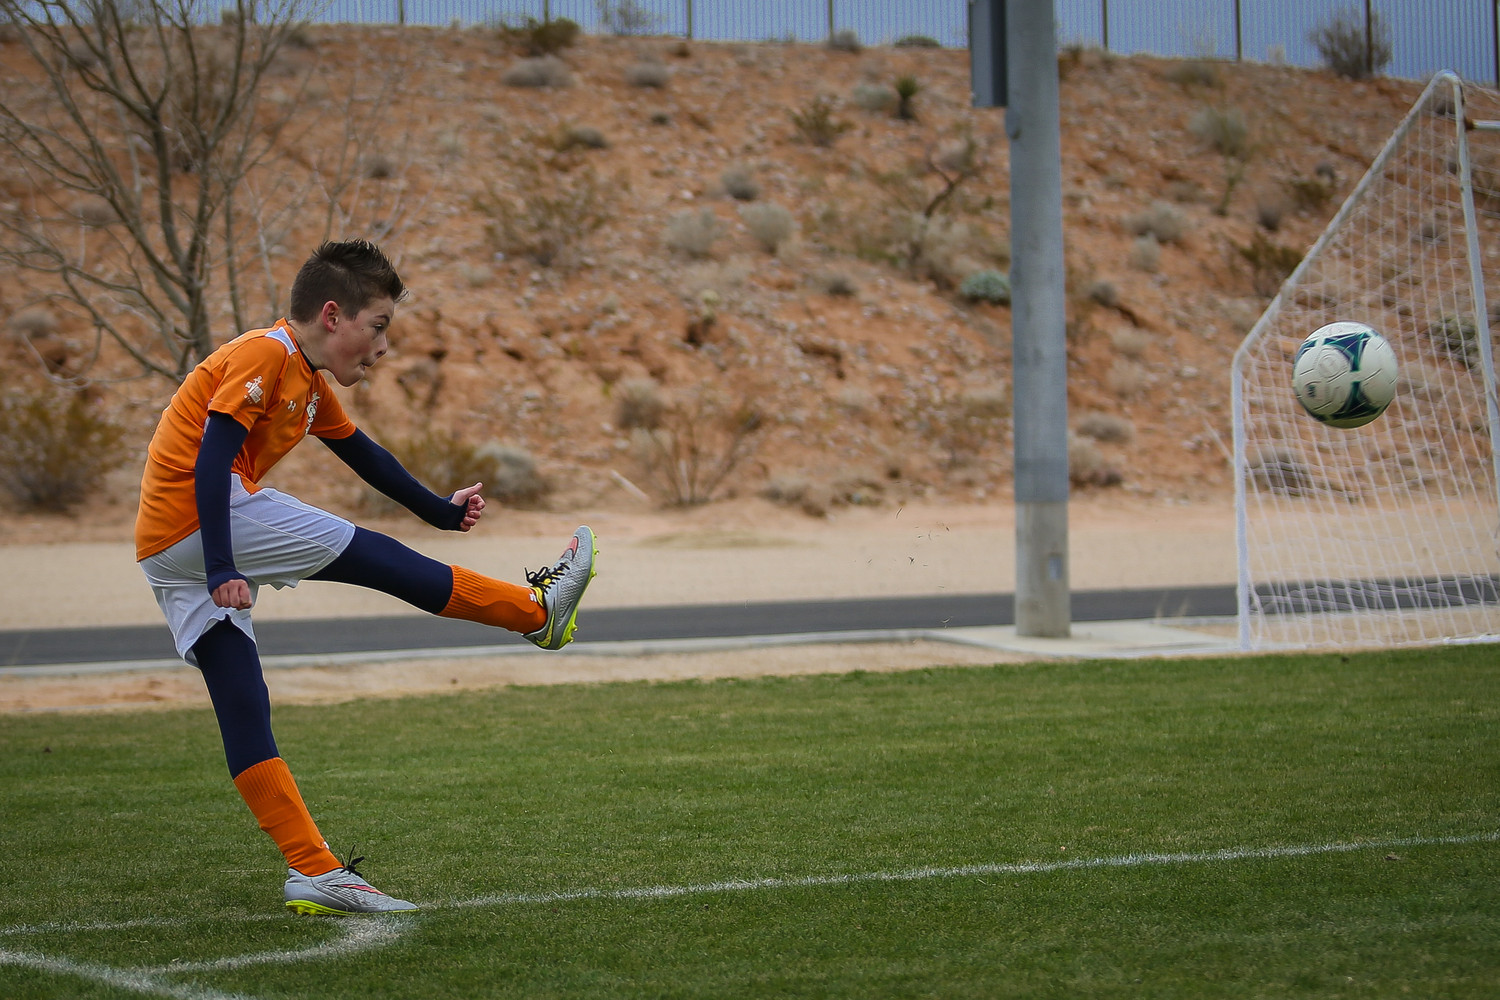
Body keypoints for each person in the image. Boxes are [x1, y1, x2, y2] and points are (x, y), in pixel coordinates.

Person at [135, 239, 597, 916]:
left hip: (163, 547)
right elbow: (211, 461)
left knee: (242, 701)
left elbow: (364, 455)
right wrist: (223, 566)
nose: (382, 348)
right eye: (377, 327)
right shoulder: (266, 355)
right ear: (332, 315)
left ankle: (312, 869)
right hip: (201, 520)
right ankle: (537, 613)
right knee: (374, 555)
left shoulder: (308, 381)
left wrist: (439, 511)